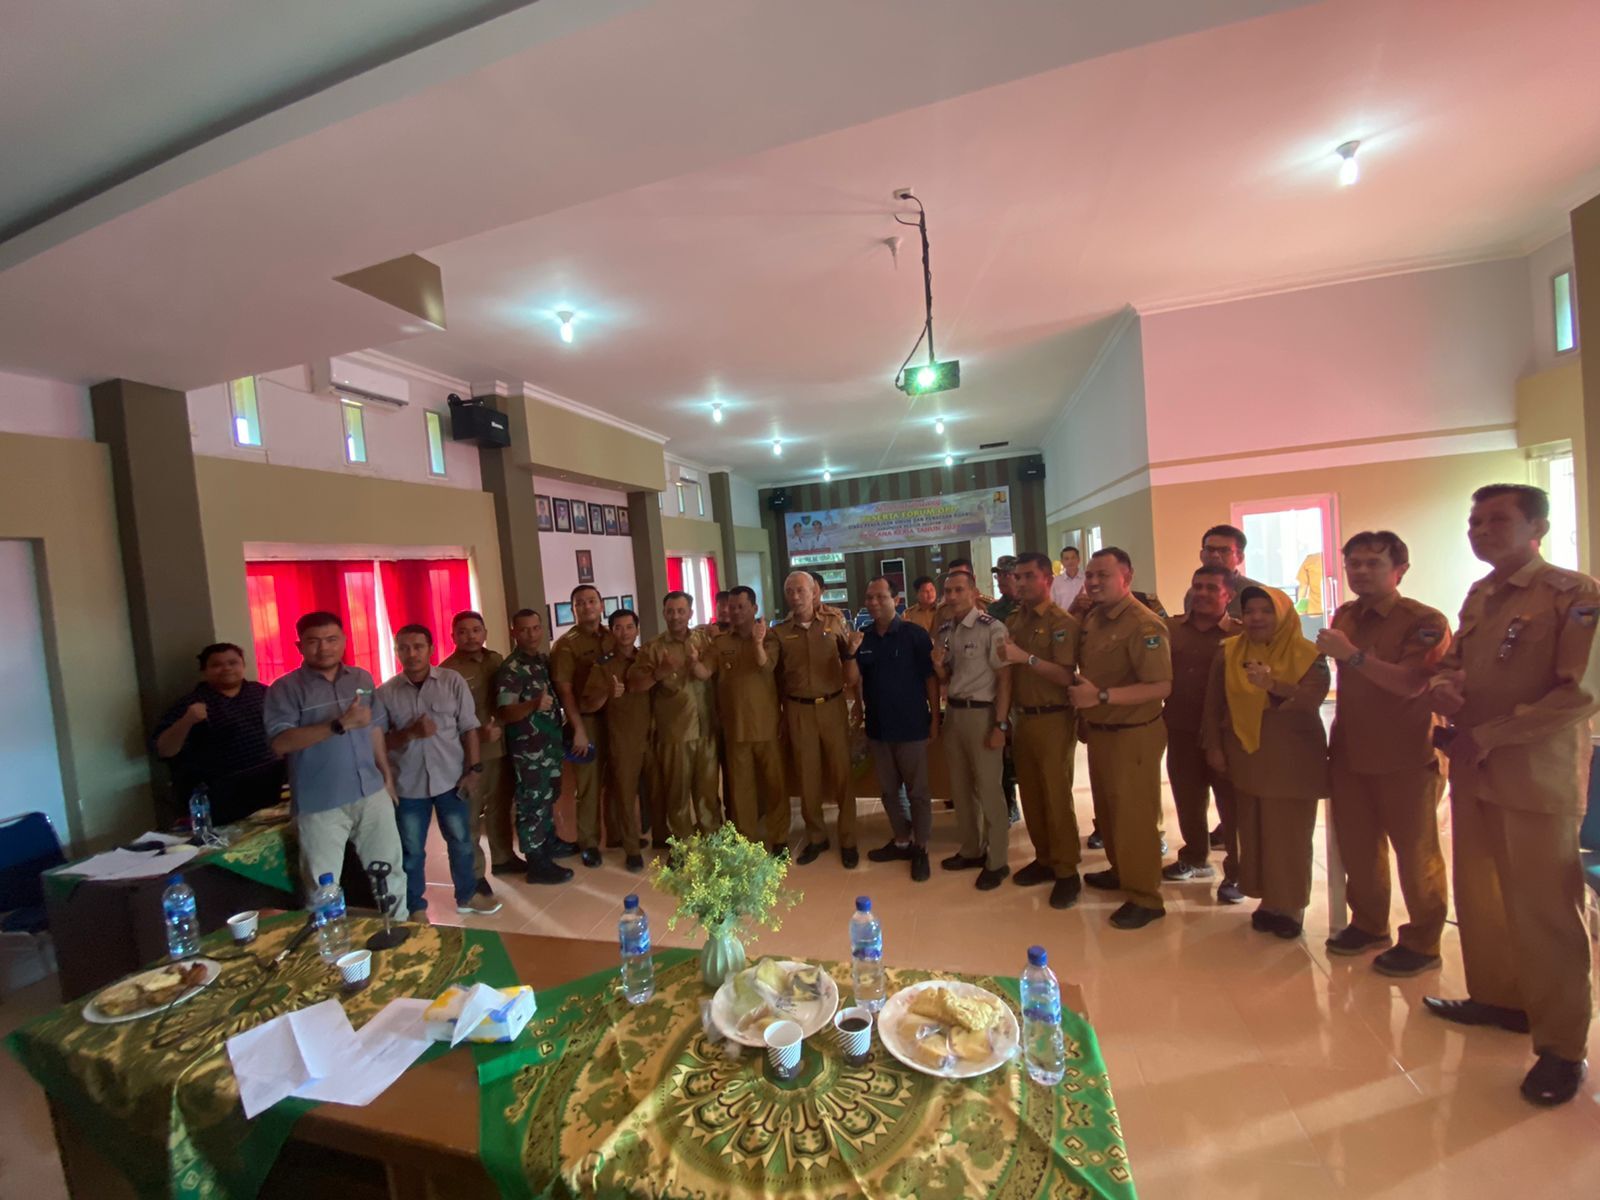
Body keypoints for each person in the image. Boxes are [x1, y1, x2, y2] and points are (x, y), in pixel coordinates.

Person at [1425, 483, 1599, 1107]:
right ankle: (1501, 1000)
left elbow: (1581, 692)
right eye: (1474, 521)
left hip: (1534, 776)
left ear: (1537, 528)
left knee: (1545, 910)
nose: (1480, 531)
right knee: (1483, 894)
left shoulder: (1573, 595)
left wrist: (1493, 734)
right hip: (1476, 770)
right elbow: (1459, 664)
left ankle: (1562, 1048)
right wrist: (1446, 685)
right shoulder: (1482, 594)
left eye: (1497, 520)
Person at [1316, 531, 1451, 976]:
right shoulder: (1346, 614)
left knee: (1416, 854)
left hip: (1406, 753)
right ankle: (1370, 924)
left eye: (1373, 563)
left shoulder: (1424, 621)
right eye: (1353, 563)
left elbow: (1412, 683)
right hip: (1351, 750)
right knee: (1359, 846)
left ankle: (1424, 942)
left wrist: (1352, 656)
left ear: (1400, 570)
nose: (1361, 571)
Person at [1202, 586, 1330, 939]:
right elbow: (1213, 705)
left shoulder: (1309, 655)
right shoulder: (1230, 651)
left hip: (1291, 759)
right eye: (1250, 611)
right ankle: (1269, 900)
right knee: (1254, 831)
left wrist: (1272, 684)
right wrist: (1214, 746)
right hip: (1246, 756)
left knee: (1289, 834)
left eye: (1266, 611)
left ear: (1284, 615)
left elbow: (1310, 700)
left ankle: (1291, 905)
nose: (1256, 618)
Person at [264, 612, 406, 909]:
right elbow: (281, 742)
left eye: (331, 639)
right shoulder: (284, 689)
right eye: (314, 641)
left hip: (371, 792)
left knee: (390, 873)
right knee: (323, 887)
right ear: (299, 646)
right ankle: (329, 938)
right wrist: (338, 724)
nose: (324, 648)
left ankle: (400, 930)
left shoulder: (361, 678)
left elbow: (374, 729)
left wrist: (387, 778)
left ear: (343, 641)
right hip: (320, 803)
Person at [1075, 548, 1173, 930]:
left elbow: (1160, 686)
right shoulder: (1094, 618)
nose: (1094, 582)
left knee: (1135, 817)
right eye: (1090, 575)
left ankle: (1146, 897)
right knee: (1109, 812)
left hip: (1133, 734)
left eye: (1103, 575)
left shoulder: (1144, 624)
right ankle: (1121, 871)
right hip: (1102, 731)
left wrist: (1101, 697)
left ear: (1126, 578)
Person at [377, 625, 498, 920]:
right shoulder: (386, 693)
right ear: (396, 652)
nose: (412, 653)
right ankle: (415, 907)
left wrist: (474, 770)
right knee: (411, 851)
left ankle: (467, 895)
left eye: (418, 647)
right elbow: (379, 742)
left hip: (451, 779)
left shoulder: (452, 681)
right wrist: (410, 733)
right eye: (404, 648)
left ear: (431, 649)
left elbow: (469, 728)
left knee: (461, 842)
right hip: (408, 785)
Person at [998, 552, 1083, 909]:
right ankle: (1044, 858)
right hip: (1023, 718)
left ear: (1048, 578)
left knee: (1056, 796)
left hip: (1053, 718)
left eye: (1029, 576)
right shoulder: (1015, 620)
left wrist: (1027, 658)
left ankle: (1067, 871)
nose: (1021, 583)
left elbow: (1066, 675)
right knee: (1031, 795)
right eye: (1017, 577)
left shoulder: (1061, 622)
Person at [767, 572, 861, 866]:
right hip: (798, 709)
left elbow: (850, 668)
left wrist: (858, 697)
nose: (795, 596)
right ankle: (817, 837)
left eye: (801, 590)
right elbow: (774, 677)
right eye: (790, 591)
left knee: (842, 774)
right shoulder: (779, 632)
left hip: (832, 706)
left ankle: (848, 838)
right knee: (808, 777)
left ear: (814, 592)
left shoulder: (834, 622)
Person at [1161, 566, 1242, 900]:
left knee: (1231, 805)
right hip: (1180, 729)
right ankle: (1195, 857)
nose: (1202, 593)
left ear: (1229, 595)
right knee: (1188, 799)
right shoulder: (1171, 630)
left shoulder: (1240, 634)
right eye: (1198, 586)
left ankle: (1237, 873)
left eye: (1211, 588)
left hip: (1226, 736)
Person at [931, 569, 1013, 889]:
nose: (952, 596)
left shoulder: (992, 628)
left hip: (983, 714)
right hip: (954, 714)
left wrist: (1000, 724)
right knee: (961, 788)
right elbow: (947, 678)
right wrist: (938, 666)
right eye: (948, 591)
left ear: (974, 593)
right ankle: (971, 850)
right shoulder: (946, 630)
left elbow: (1005, 679)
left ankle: (998, 861)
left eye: (958, 590)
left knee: (989, 790)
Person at [856, 576, 939, 881]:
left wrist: (934, 718)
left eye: (881, 597)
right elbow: (856, 680)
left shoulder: (914, 635)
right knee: (889, 792)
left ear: (896, 600)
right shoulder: (863, 638)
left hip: (912, 726)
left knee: (918, 792)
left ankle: (921, 847)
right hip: (879, 728)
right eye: (869, 597)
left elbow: (930, 679)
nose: (874, 602)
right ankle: (902, 839)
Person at [153, 642, 284, 826]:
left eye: (233, 662)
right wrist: (187, 720)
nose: (226, 668)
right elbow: (164, 750)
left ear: (243, 665)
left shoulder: (262, 692)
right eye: (217, 665)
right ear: (204, 671)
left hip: (269, 781)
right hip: (221, 792)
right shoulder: (191, 703)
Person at [704, 587, 790, 853]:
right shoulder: (720, 643)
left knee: (775, 786)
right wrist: (693, 658)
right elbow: (705, 671)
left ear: (754, 608)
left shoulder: (770, 637)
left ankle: (779, 838)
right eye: (731, 607)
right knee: (741, 790)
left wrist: (757, 642)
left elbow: (766, 666)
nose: (735, 612)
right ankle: (746, 840)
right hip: (735, 728)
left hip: (767, 727)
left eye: (741, 606)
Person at [440, 610, 520, 890]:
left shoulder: (496, 660)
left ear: (485, 633)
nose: (470, 636)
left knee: (500, 807)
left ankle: (504, 857)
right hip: (469, 755)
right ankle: (474, 875)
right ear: (453, 636)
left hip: (501, 748)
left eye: (476, 630)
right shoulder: (448, 673)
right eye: (463, 632)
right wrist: (477, 736)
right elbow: (445, 721)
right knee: (471, 816)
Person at [633, 591, 721, 841]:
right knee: (677, 795)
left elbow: (711, 671)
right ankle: (683, 845)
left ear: (690, 613)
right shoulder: (653, 647)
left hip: (706, 729)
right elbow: (636, 684)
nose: (676, 616)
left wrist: (695, 663)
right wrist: (659, 672)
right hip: (675, 732)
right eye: (670, 611)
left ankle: (712, 841)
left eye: (681, 611)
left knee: (708, 792)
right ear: (664, 613)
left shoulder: (704, 641)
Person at [495, 608, 572, 885]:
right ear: (514, 632)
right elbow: (505, 712)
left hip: (549, 744)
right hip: (528, 750)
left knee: (548, 795)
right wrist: (532, 704)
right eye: (524, 629)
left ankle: (548, 842)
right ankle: (536, 861)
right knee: (532, 803)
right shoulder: (512, 668)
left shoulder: (541, 661)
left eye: (536, 628)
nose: (531, 634)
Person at [550, 584, 612, 867]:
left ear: (601, 605)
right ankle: (589, 842)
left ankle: (618, 834)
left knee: (619, 779)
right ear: (573, 609)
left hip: (616, 719)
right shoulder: (566, 645)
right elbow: (565, 692)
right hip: (586, 720)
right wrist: (578, 729)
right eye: (580, 603)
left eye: (591, 601)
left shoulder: (611, 636)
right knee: (588, 786)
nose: (587, 607)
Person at [589, 608, 649, 872]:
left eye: (629, 627)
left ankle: (658, 837)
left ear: (637, 629)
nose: (624, 633)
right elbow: (589, 702)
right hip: (622, 736)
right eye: (618, 627)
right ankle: (631, 849)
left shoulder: (645, 658)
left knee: (655, 789)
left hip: (650, 732)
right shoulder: (603, 664)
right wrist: (607, 692)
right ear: (611, 631)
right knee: (625, 794)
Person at [988, 556, 1023, 823]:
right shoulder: (994, 610)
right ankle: (1009, 801)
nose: (1000, 580)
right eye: (998, 575)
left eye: (1005, 575)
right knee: (1003, 748)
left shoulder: (1030, 607)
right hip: (1000, 685)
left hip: (1027, 683)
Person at [1192, 524, 1263, 619]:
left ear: (1240, 557)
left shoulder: (1258, 593)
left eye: (1224, 550)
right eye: (1210, 549)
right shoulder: (1193, 593)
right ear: (1201, 555)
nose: (1215, 555)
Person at [1050, 546, 1086, 613]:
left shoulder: (1086, 578)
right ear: (1062, 562)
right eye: (1066, 559)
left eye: (1073, 558)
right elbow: (1052, 604)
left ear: (1078, 560)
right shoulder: (1057, 581)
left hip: (1084, 617)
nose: (1070, 561)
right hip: (1063, 618)